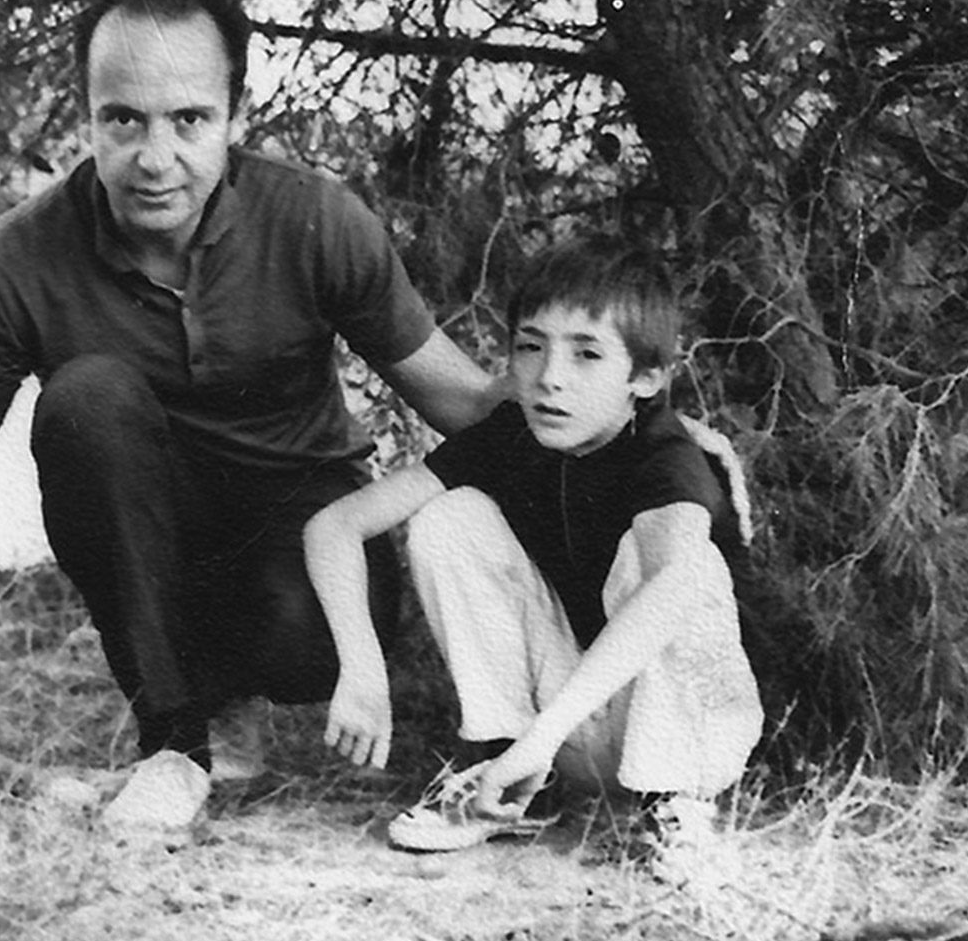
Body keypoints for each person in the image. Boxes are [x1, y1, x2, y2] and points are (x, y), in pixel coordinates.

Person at [0, 0, 498, 838]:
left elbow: (462, 399)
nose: (156, 158)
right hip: (150, 548)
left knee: (302, 636)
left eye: (189, 119)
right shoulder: (17, 261)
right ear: (87, 115)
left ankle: (228, 684)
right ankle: (176, 743)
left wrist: (634, 442)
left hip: (306, 548)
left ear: (235, 113)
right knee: (86, 396)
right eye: (123, 119)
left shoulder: (318, 220)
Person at [303, 234, 764, 862]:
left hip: (674, 730)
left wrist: (545, 735)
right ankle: (513, 786)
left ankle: (675, 804)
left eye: (587, 355)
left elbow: (672, 594)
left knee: (683, 567)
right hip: (557, 736)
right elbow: (334, 527)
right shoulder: (512, 434)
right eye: (530, 347)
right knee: (450, 516)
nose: (550, 379)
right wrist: (361, 668)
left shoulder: (668, 459)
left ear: (646, 377)